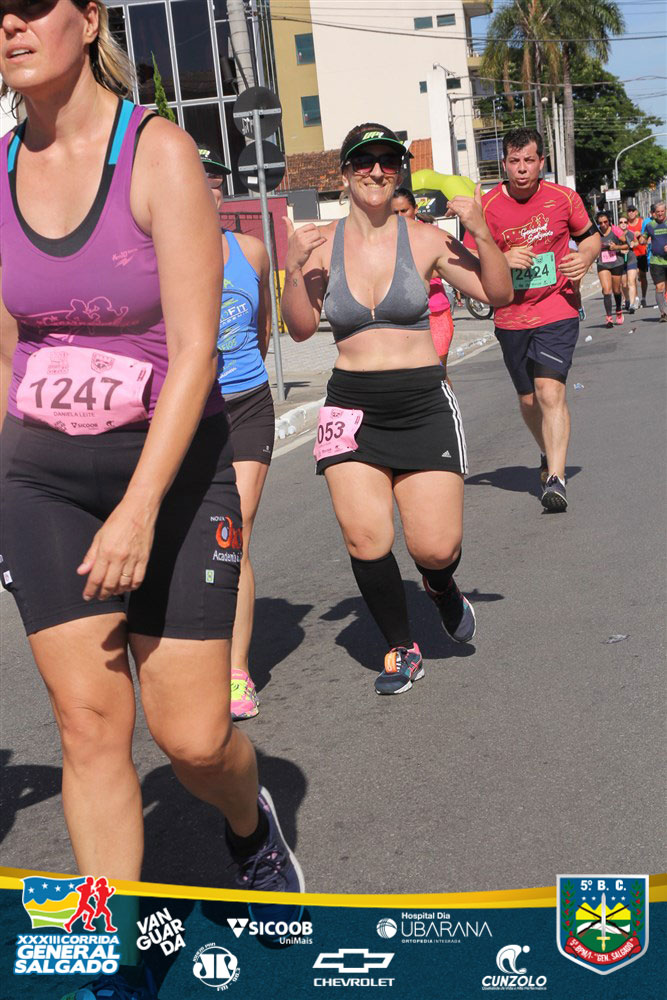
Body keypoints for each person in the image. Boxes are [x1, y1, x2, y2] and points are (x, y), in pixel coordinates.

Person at [0, 5, 303, 997]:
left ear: (88, 19)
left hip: (172, 468)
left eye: (30, 5)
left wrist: (138, 506)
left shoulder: (157, 152)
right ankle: (109, 954)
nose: (10, 25)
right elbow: (4, 351)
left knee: (192, 739)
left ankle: (248, 827)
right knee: (88, 728)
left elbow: (197, 352)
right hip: (44, 474)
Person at [281, 122, 512, 695]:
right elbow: (301, 328)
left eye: (389, 161)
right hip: (351, 405)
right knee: (366, 539)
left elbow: (498, 294)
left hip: (421, 402)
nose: (377, 171)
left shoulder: (426, 239)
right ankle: (400, 646)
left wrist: (482, 233)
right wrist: (293, 266)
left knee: (436, 547)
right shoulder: (320, 243)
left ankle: (440, 586)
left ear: (399, 171)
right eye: (365, 162)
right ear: (345, 173)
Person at [463, 127, 600, 512]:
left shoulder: (563, 198)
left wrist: (585, 257)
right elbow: (469, 262)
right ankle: (547, 450)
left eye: (529, 161)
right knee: (527, 398)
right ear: (504, 164)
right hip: (511, 315)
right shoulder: (486, 205)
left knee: (549, 391)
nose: (522, 169)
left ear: (542, 162)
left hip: (557, 307)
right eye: (514, 161)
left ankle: (556, 479)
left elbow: (590, 237)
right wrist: (501, 259)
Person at [196, 144, 273, 720]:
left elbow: (262, 330)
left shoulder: (251, 251)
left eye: (216, 179)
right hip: (190, 416)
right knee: (190, 540)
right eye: (197, 177)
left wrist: (243, 376)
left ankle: (237, 672)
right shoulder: (153, 257)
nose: (208, 187)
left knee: (233, 534)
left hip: (247, 404)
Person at [392, 186, 455, 377]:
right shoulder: (385, 240)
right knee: (411, 375)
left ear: (415, 209)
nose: (400, 216)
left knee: (438, 373)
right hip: (403, 317)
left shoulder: (431, 234)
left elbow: (448, 267)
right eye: (395, 212)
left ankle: (446, 397)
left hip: (436, 313)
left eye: (404, 211)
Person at [595, 212, 628, 328]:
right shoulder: (596, 233)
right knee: (606, 290)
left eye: (605, 222)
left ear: (609, 221)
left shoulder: (615, 230)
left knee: (616, 290)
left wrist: (616, 247)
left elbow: (626, 245)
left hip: (616, 263)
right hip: (603, 263)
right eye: (600, 223)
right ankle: (609, 318)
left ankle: (618, 310)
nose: (603, 225)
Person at [638, 200, 667, 322]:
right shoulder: (650, 225)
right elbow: (644, 237)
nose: (660, 214)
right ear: (654, 212)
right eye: (657, 211)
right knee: (660, 287)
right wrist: (641, 239)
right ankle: (663, 313)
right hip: (656, 261)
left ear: (665, 211)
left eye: (662, 211)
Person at [626, 204, 648, 307]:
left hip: (642, 253)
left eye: (632, 211)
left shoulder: (641, 222)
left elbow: (647, 235)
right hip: (631, 254)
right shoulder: (625, 224)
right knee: (633, 277)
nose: (630, 213)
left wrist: (640, 234)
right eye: (629, 211)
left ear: (636, 212)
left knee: (642, 276)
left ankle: (643, 297)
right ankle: (636, 298)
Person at [617, 215, 638, 313]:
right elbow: (611, 246)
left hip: (631, 259)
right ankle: (627, 299)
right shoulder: (615, 234)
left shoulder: (631, 233)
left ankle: (632, 305)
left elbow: (636, 242)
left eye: (625, 222)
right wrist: (619, 250)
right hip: (620, 260)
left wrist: (634, 244)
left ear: (627, 224)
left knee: (631, 282)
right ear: (618, 224)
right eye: (621, 222)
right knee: (624, 284)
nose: (623, 224)